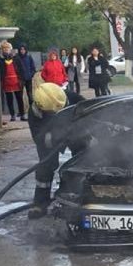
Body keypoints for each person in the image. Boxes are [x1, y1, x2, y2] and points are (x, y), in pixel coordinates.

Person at [27, 83, 85, 219]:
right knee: (45, 167)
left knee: (83, 161)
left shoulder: (74, 98)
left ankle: (77, 195)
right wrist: (51, 137)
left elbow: (93, 115)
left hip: (77, 134)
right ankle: (40, 203)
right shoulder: (35, 113)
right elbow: (39, 139)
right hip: (52, 139)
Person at [0, 41, 26, 121]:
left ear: (10, 49)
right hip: (6, 82)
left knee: (19, 99)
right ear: (2, 50)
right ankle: (12, 115)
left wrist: (22, 80)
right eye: (4, 48)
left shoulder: (16, 58)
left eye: (7, 48)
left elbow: (21, 69)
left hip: (16, 81)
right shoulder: (0, 59)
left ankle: (22, 114)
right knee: (9, 100)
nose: (6, 49)